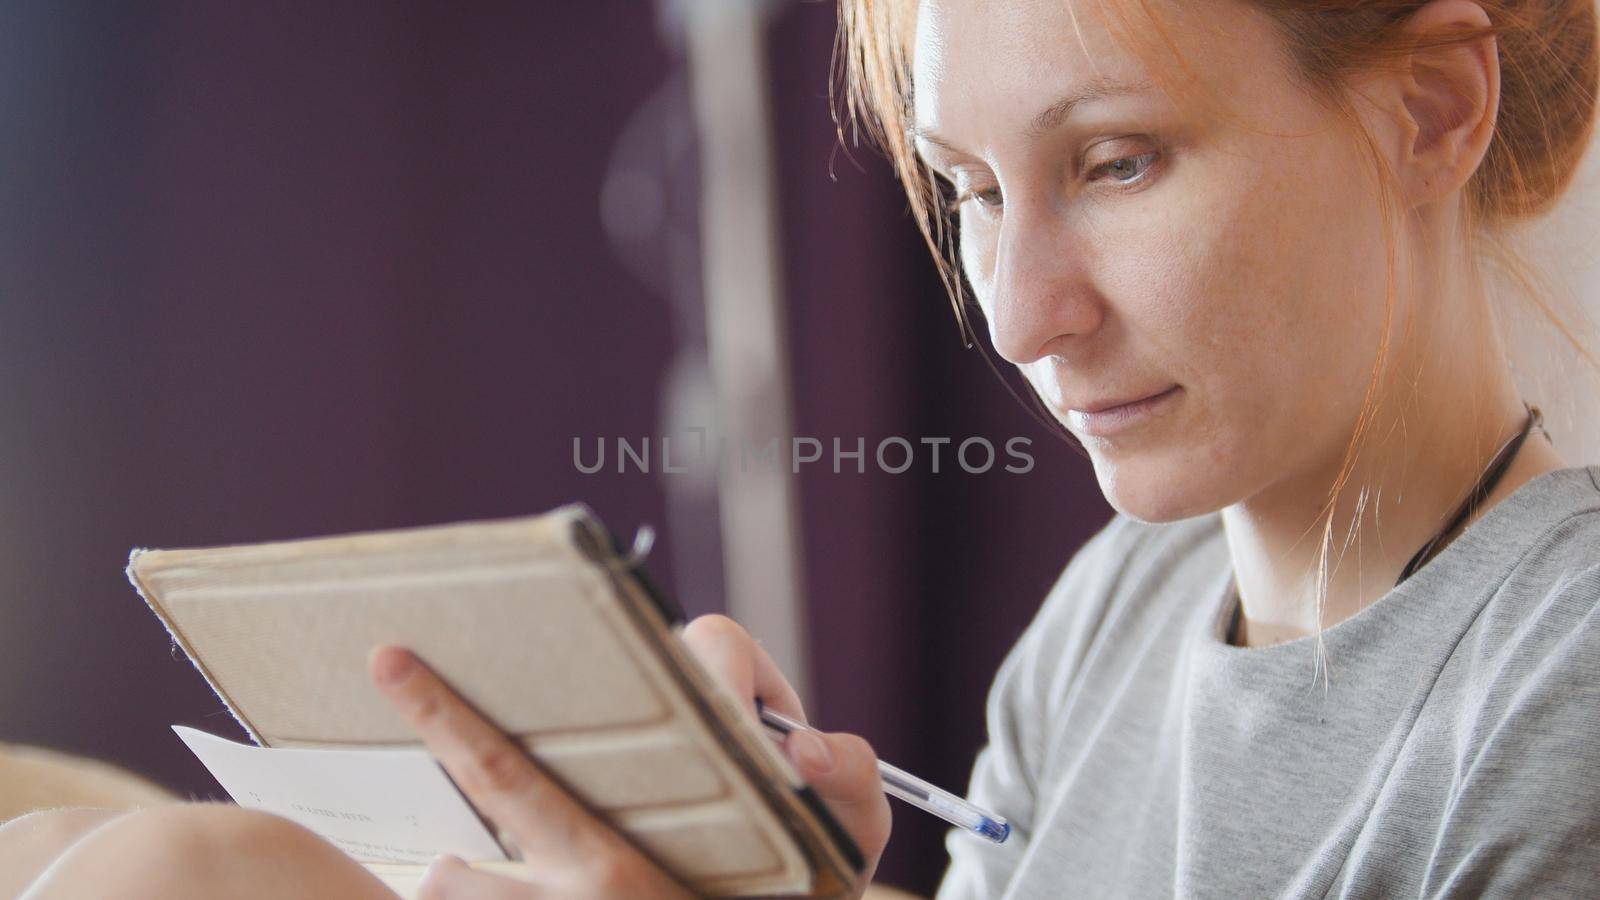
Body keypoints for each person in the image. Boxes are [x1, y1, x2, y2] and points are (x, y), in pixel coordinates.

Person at [5, 0, 1599, 895]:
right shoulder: (1114, 615)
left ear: (1435, 111)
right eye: (970, 193)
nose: (1022, 315)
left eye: (1115, 164)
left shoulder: (1561, 676)